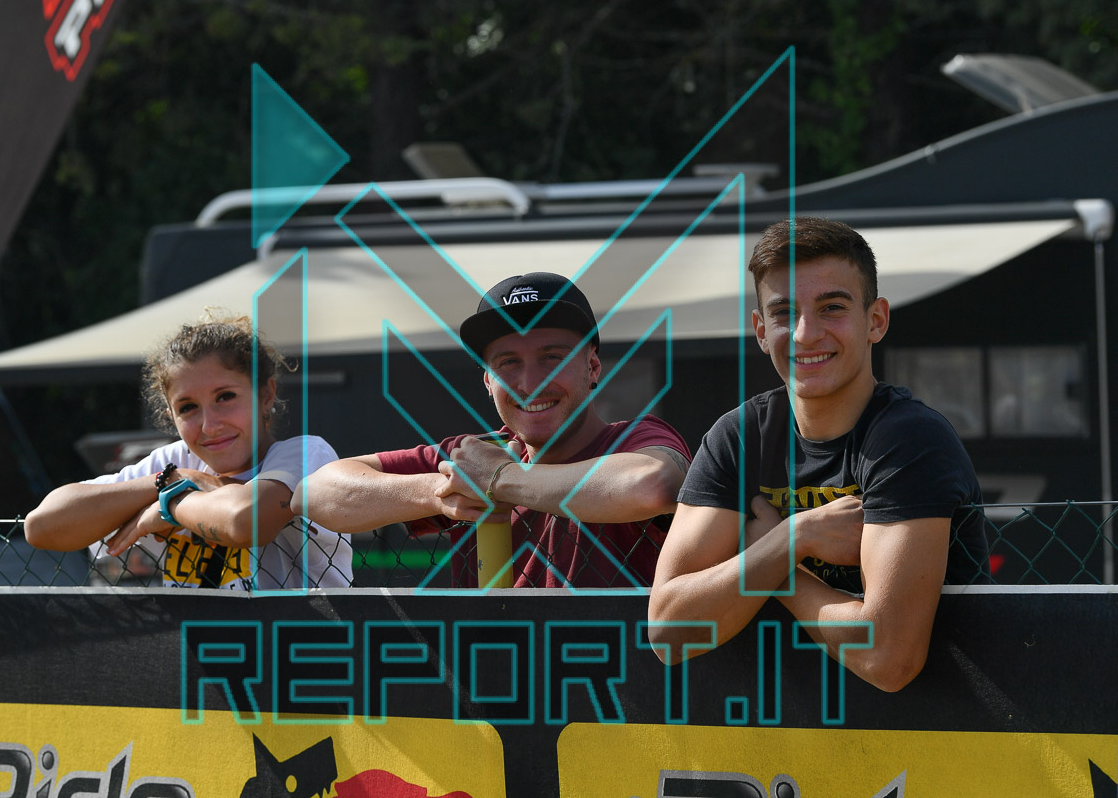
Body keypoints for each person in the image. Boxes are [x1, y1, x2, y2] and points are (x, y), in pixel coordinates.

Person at [648, 218, 989, 691]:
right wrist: (793, 538)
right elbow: (668, 633)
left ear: (876, 320)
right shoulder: (738, 437)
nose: (806, 333)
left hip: (940, 723)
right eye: (784, 312)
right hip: (782, 728)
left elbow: (887, 658)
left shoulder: (911, 440)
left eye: (832, 308)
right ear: (761, 330)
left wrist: (784, 572)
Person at [294, 272, 692, 587]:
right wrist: (441, 491)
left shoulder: (632, 440)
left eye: (552, 357)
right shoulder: (475, 457)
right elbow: (313, 494)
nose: (530, 383)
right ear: (487, 380)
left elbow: (652, 484)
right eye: (507, 363)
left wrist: (500, 479)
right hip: (492, 667)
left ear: (592, 366)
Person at [25, 311, 352, 590]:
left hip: (301, 641)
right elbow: (41, 526)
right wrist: (172, 481)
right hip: (198, 645)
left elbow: (246, 522)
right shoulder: (174, 464)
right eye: (188, 407)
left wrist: (170, 505)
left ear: (266, 395)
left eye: (225, 397)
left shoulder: (305, 455)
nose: (210, 425)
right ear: (171, 415)